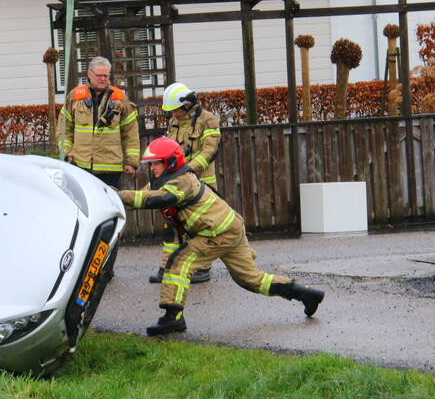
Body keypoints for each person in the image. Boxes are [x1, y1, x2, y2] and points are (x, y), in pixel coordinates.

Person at [117, 137, 324, 336]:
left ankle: (173, 318)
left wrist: (119, 196)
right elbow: (142, 196)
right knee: (251, 280)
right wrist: (115, 197)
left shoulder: (182, 181)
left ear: (170, 162)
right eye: (151, 164)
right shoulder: (164, 180)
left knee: (179, 262)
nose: (152, 168)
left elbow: (161, 198)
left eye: (156, 164)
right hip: (229, 229)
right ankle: (306, 294)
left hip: (216, 234)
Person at [150, 82, 222, 285]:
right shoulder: (174, 122)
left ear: (187, 104)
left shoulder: (208, 120)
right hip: (178, 184)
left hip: (202, 185)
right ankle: (167, 267)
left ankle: (202, 269)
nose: (173, 113)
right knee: (172, 226)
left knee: (200, 229)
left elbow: (209, 151)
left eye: (175, 109)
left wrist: (186, 172)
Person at [58, 56, 140, 188]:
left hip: (110, 170)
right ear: (89, 74)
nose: (103, 79)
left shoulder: (119, 97)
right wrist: (67, 153)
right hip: (80, 166)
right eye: (99, 75)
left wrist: (132, 162)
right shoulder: (75, 96)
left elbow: (131, 133)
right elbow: (64, 128)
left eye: (106, 76)